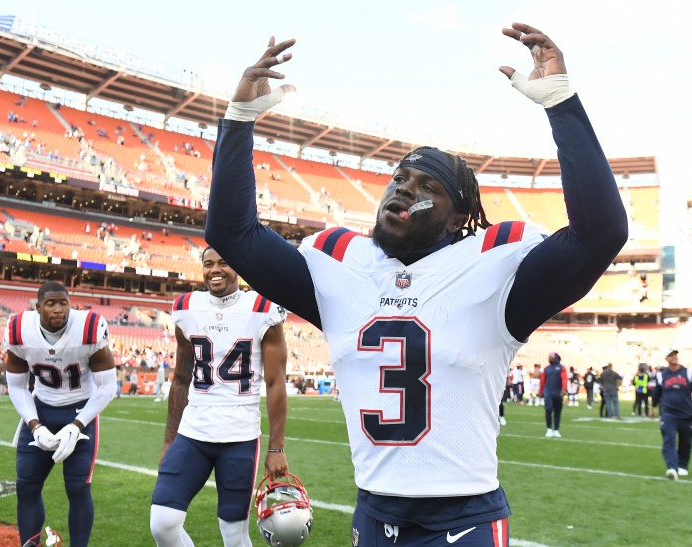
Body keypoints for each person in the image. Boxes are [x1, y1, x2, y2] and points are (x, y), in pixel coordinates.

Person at [205, 23, 628, 543]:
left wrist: (561, 103)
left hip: (465, 517)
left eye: (428, 186)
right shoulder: (341, 264)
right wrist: (240, 119)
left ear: (456, 219)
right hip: (373, 514)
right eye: (400, 179)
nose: (405, 190)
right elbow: (231, 231)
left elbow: (601, 233)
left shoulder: (492, 266)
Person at [150, 247, 289, 547]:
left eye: (224, 262)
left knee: (234, 535)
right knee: (162, 523)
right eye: (208, 263)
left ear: (237, 265)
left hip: (239, 436)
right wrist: (169, 440)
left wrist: (276, 448)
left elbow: (276, 383)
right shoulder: (187, 307)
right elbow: (181, 378)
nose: (215, 269)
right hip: (193, 432)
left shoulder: (262, 308)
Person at [5, 281, 117, 546]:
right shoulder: (19, 330)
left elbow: (107, 386)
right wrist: (35, 425)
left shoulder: (89, 328)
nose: (58, 309)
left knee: (78, 487)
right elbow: (17, 386)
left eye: (63, 302)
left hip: (81, 409)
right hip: (42, 407)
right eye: (51, 303)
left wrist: (77, 425)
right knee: (26, 485)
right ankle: (29, 542)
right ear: (37, 307)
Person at [653, 349, 692, 480]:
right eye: (671, 355)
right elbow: (656, 393)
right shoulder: (661, 375)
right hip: (668, 414)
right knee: (669, 440)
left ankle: (682, 465)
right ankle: (672, 467)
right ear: (666, 359)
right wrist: (653, 407)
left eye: (675, 355)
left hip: (686, 414)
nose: (674, 357)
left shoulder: (689, 373)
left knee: (686, 441)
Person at [539, 352, 568, 437]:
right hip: (548, 392)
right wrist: (540, 391)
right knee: (548, 410)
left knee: (557, 412)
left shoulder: (561, 368)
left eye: (550, 357)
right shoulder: (546, 369)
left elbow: (564, 379)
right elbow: (542, 381)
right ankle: (549, 429)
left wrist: (564, 389)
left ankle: (556, 429)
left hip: (558, 393)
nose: (549, 358)